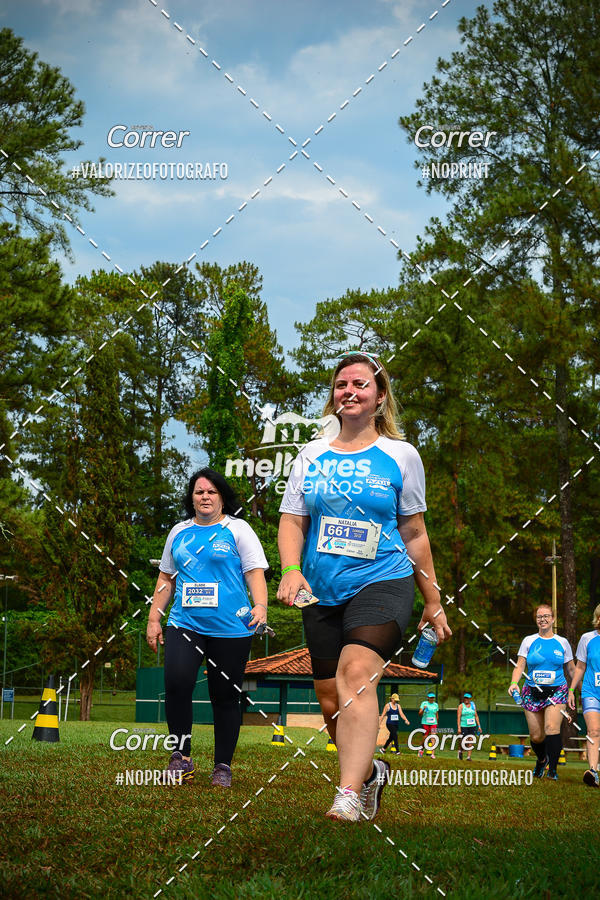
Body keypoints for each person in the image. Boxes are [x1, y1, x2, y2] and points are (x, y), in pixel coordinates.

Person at [277, 351, 451, 822]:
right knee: (330, 699)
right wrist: (290, 569)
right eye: (341, 385)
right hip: (321, 589)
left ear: (379, 396)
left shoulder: (401, 455)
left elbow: (414, 532)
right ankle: (372, 771)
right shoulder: (310, 456)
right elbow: (292, 520)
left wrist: (433, 600)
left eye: (360, 384)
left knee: (356, 673)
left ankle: (349, 794)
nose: (349, 391)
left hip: (384, 580)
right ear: (332, 396)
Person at [146, 468, 269, 787]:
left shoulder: (238, 529)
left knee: (225, 695)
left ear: (222, 498)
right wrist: (154, 618)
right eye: (199, 492)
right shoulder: (179, 532)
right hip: (185, 623)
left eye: (211, 492)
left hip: (231, 627)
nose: (205, 497)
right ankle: (181, 759)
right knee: (177, 683)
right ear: (191, 498)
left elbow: (254, 572)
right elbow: (166, 578)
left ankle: (222, 766)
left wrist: (260, 606)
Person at [508, 604, 575, 781]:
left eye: (546, 616)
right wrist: (514, 683)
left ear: (553, 619)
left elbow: (572, 669)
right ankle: (542, 760)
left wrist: (577, 689)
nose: (543, 619)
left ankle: (552, 770)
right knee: (537, 736)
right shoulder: (528, 641)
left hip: (557, 691)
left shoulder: (562, 642)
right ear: (536, 620)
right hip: (531, 692)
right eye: (539, 617)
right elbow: (520, 665)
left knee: (551, 728)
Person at [567, 603, 600, 788]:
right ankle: (593, 772)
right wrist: (571, 690)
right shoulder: (587, 638)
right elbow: (580, 667)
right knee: (593, 731)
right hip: (591, 691)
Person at [456, 691, 482, 761]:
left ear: (470, 699)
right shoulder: (461, 706)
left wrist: (479, 726)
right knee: (464, 740)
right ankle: (460, 751)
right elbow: (458, 717)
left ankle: (468, 757)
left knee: (471, 740)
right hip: (464, 725)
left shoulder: (473, 705)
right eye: (465, 698)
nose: (466, 699)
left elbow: (476, 716)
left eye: (468, 698)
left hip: (472, 725)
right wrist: (459, 728)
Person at [417, 690, 439, 759]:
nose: (432, 699)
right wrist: (423, 709)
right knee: (425, 737)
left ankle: (432, 754)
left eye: (433, 697)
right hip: (425, 723)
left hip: (434, 723)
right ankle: (421, 749)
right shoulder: (424, 703)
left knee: (433, 737)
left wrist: (437, 722)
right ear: (428, 698)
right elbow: (419, 714)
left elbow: (436, 715)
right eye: (430, 697)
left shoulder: (436, 705)